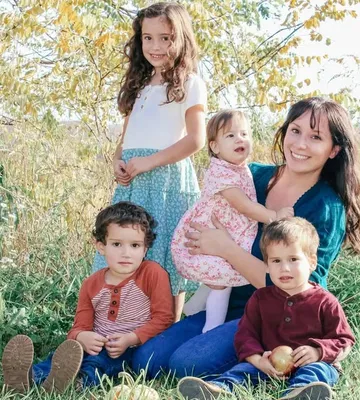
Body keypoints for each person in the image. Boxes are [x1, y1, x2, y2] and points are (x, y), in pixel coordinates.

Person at [130, 97, 360, 380]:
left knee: (186, 363)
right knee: (147, 360)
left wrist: (226, 249)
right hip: (228, 302)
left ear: (334, 150)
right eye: (295, 131)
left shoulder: (325, 206)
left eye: (315, 137)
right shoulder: (250, 176)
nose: (300, 144)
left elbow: (299, 286)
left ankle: (296, 363)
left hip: (278, 316)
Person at [91, 2, 207, 321]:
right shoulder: (138, 85)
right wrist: (118, 159)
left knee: (165, 253)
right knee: (127, 249)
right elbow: (126, 137)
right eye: (148, 38)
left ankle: (166, 329)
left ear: (181, 39)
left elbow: (196, 139)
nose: (155, 46)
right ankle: (123, 325)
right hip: (134, 182)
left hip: (167, 181)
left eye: (165, 38)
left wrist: (150, 162)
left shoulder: (189, 84)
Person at [2, 202, 174, 394]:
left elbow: (164, 318)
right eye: (116, 244)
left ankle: (77, 383)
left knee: (97, 363)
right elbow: (79, 326)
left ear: (145, 248)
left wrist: (130, 339)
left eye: (135, 245)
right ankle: (29, 377)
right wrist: (81, 337)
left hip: (129, 349)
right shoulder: (91, 284)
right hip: (95, 343)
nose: (126, 253)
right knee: (61, 355)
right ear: (101, 246)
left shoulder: (152, 273)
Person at [177, 217, 355, 400]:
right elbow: (245, 335)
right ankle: (219, 390)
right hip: (270, 364)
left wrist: (318, 352)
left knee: (316, 371)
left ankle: (301, 392)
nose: (284, 268)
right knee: (242, 371)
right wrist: (258, 360)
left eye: (293, 259)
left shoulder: (325, 301)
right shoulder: (260, 298)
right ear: (267, 266)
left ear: (312, 262)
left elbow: (344, 340)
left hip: (313, 362)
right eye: (276, 261)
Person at [171, 109, 293, 333]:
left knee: (220, 274)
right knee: (222, 281)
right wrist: (274, 217)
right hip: (207, 232)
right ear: (215, 147)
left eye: (244, 134)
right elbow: (243, 205)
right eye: (230, 135)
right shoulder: (222, 173)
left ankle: (195, 307)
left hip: (223, 230)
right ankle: (212, 327)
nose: (240, 139)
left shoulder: (237, 167)